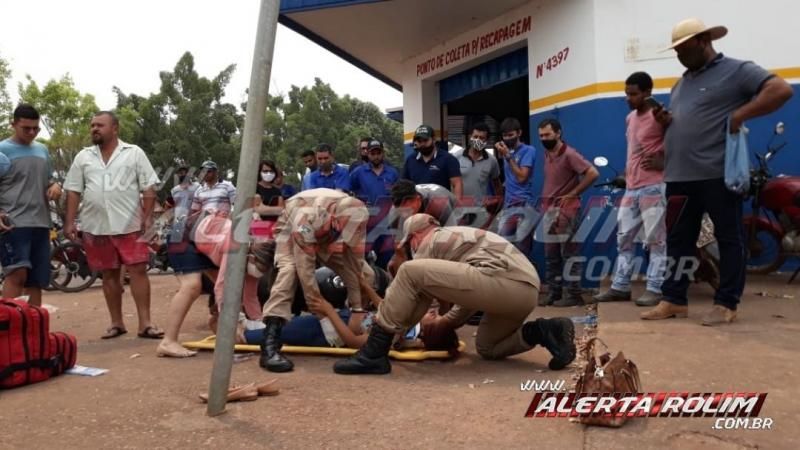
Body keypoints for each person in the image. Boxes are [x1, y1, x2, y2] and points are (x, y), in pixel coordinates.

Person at [642, 18, 793, 325]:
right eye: (677, 51)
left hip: (716, 173)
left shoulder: (737, 70)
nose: (679, 56)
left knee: (728, 238)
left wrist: (740, 115)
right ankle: (674, 300)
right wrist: (666, 121)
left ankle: (727, 303)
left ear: (703, 41)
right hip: (679, 175)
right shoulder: (681, 83)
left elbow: (780, 89)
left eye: (683, 49)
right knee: (678, 241)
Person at [332, 213, 576, 375]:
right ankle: (545, 331)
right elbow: (468, 292)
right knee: (488, 348)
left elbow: (417, 292)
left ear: (415, 236)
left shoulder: (432, 240)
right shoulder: (459, 237)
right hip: (522, 292)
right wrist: (446, 322)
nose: (412, 248)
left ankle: (374, 353)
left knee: (409, 271)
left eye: (410, 244)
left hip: (503, 285)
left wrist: (392, 331)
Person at [63, 111, 163, 339]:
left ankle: (145, 323)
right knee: (108, 274)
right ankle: (116, 323)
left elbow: (148, 187)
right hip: (95, 225)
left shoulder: (134, 153)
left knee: (138, 271)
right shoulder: (83, 157)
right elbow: (73, 190)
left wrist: (147, 218)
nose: (94, 129)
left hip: (130, 224)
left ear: (115, 128)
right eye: (92, 126)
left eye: (100, 125)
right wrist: (69, 221)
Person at [260, 188, 371, 372]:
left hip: (327, 232)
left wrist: (357, 307)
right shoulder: (306, 218)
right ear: (335, 218)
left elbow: (355, 261)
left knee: (367, 274)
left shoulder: (358, 213)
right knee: (290, 272)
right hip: (292, 225)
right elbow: (306, 272)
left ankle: (358, 321)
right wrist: (324, 318)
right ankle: (270, 343)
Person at [594, 72, 667, 307]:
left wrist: (664, 163)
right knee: (624, 240)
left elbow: (681, 143)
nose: (628, 98)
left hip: (653, 186)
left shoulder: (661, 117)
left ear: (647, 92)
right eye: (626, 93)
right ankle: (620, 287)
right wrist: (625, 176)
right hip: (632, 188)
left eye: (633, 94)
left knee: (656, 241)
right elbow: (634, 151)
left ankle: (655, 288)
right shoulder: (629, 118)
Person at [0, 104, 62, 306]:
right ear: (13, 125)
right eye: (26, 128)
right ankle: (8, 329)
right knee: (17, 274)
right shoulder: (2, 150)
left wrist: (55, 186)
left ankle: (34, 330)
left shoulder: (42, 150)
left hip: (41, 223)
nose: (32, 132)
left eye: (36, 128)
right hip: (13, 223)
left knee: (37, 280)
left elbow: (48, 179)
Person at [538, 119, 599, 307]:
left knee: (570, 254)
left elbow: (593, 173)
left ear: (558, 133)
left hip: (567, 210)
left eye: (547, 135)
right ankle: (555, 293)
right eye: (541, 135)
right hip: (549, 210)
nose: (544, 139)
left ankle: (574, 295)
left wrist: (573, 193)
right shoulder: (547, 153)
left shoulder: (570, 154)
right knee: (551, 255)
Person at [350, 139, 399, 268]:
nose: (376, 156)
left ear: (383, 154)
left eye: (379, 153)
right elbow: (348, 193)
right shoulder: (358, 173)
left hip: (388, 224)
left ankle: (386, 284)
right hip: (366, 224)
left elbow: (399, 196)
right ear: (368, 154)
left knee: (388, 257)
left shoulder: (392, 173)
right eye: (373, 153)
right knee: (365, 259)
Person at [494, 118, 537, 256]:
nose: (507, 138)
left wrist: (507, 156)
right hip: (509, 205)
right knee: (503, 248)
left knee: (521, 251)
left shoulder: (528, 150)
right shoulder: (507, 152)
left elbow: (522, 177)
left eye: (511, 135)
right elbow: (510, 178)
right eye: (505, 136)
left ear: (519, 133)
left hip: (524, 204)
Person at [402, 125, 462, 197]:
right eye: (419, 141)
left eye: (425, 140)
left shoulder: (448, 159)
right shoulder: (410, 160)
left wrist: (456, 206)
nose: (422, 144)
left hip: (441, 206)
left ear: (434, 139)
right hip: (417, 205)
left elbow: (457, 184)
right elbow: (404, 185)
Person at [457, 122, 502, 207]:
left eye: (481, 138)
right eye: (475, 136)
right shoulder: (456, 157)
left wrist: (498, 204)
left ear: (486, 140)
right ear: (471, 137)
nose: (478, 140)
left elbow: (497, 185)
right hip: (459, 209)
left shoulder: (492, 160)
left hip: (481, 210)